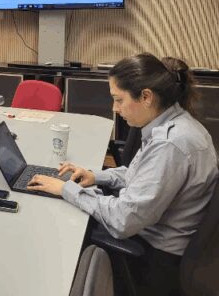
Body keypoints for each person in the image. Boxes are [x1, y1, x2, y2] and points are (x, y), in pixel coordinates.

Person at [27, 53, 218, 296]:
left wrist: (66, 189)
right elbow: (140, 174)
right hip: (155, 235)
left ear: (146, 97)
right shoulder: (174, 124)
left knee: (63, 233)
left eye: (119, 100)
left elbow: (122, 221)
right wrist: (96, 176)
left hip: (154, 260)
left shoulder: (171, 144)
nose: (114, 109)